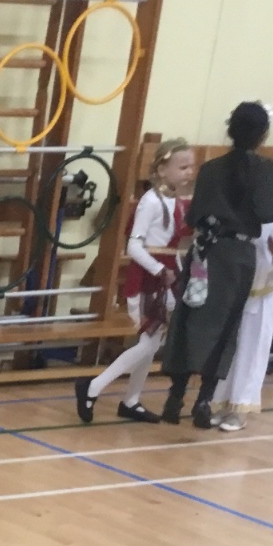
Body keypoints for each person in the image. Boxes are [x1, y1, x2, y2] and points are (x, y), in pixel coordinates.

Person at [159, 102, 273, 429]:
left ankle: (175, 398)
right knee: (224, 327)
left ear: (230, 128)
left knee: (190, 319)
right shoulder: (265, 170)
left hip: (204, 251)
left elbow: (194, 216)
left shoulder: (211, 168)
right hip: (236, 256)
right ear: (263, 134)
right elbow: (271, 211)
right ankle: (203, 401)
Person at [75, 138, 195, 424]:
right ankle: (92, 387)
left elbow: (174, 244)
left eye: (191, 167)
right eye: (183, 167)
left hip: (166, 279)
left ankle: (131, 400)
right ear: (162, 169)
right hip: (146, 281)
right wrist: (158, 269)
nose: (189, 172)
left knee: (151, 342)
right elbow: (134, 245)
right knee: (148, 343)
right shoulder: (150, 202)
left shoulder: (177, 201)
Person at [211, 189, 273, 430]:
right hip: (239, 293)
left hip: (263, 299)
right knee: (230, 352)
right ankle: (221, 404)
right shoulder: (247, 221)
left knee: (252, 353)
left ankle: (240, 409)